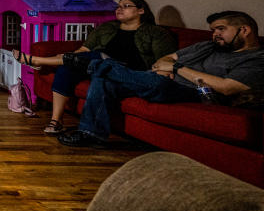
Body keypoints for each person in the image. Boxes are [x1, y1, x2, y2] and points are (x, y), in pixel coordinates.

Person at [59, 11, 264, 148]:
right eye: (213, 30)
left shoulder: (255, 59)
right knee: (105, 79)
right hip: (160, 79)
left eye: (221, 29)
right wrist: (168, 66)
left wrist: (177, 69)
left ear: (244, 30)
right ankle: (91, 133)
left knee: (118, 74)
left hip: (194, 92)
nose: (215, 35)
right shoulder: (208, 46)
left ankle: (92, 65)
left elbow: (227, 88)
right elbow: (168, 58)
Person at [12, 0, 176, 134]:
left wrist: (163, 71)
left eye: (126, 6)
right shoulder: (107, 28)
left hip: (128, 72)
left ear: (141, 10)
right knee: (68, 66)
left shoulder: (156, 33)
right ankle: (56, 122)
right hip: (96, 64)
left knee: (99, 56)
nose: (119, 9)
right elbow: (84, 49)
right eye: (118, 6)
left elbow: (164, 60)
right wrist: (64, 57)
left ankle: (37, 61)